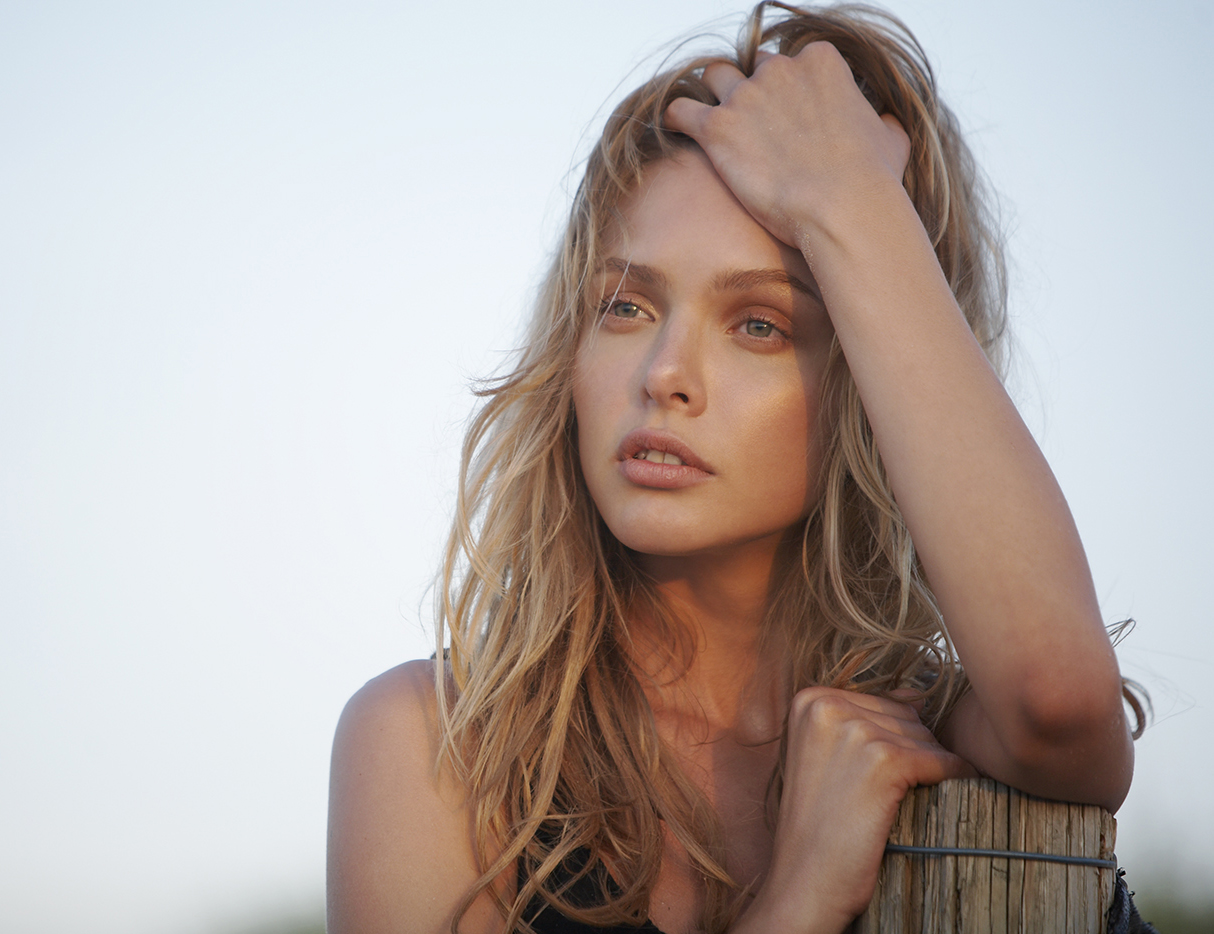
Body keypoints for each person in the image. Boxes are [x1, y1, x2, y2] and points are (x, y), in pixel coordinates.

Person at [326, 3, 1145, 933]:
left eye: (759, 323)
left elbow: (1058, 703)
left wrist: (852, 202)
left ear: (872, 382)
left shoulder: (942, 730)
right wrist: (799, 900)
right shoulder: (439, 746)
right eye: (625, 307)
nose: (663, 375)